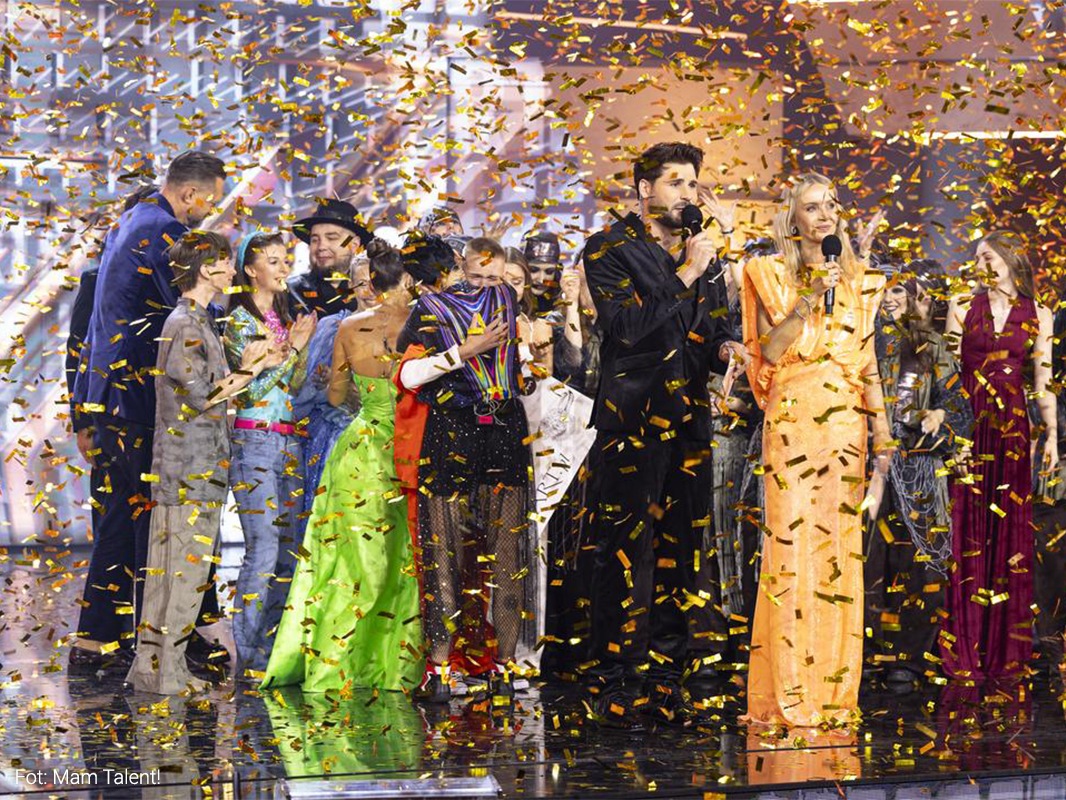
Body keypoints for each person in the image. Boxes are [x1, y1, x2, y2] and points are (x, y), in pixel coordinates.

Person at [581, 142, 744, 727]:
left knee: (683, 551)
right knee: (625, 552)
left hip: (688, 420)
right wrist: (688, 272)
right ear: (644, 189)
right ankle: (614, 677)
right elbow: (625, 328)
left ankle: (668, 676)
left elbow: (713, 326)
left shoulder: (706, 254)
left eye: (692, 183)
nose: (686, 193)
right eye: (675, 182)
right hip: (631, 421)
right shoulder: (608, 248)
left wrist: (727, 347)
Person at [742, 173, 889, 729]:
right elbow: (769, 351)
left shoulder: (865, 283)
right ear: (793, 219)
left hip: (846, 431)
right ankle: (788, 691)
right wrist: (807, 301)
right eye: (812, 207)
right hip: (792, 425)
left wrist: (884, 441)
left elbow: (869, 366)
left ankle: (833, 694)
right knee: (790, 551)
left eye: (831, 205)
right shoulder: (765, 273)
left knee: (837, 556)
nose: (825, 215)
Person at [70, 151, 226, 671]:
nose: (210, 210)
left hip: (110, 394)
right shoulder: (163, 230)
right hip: (133, 396)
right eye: (209, 200)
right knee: (142, 516)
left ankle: (104, 638)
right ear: (189, 193)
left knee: (125, 512)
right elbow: (190, 301)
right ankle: (143, 640)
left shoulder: (131, 220)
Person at [262, 239, 424, 692]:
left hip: (361, 450)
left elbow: (334, 395)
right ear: (406, 279)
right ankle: (394, 664)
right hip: (409, 450)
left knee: (347, 558)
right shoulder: (422, 323)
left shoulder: (349, 328)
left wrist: (365, 395)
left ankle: (337, 661)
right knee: (402, 559)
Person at [126, 231, 279, 694]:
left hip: (196, 468)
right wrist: (252, 366)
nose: (232, 270)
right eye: (226, 262)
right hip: (188, 471)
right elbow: (203, 395)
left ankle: (156, 669)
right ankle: (162, 671)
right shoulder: (185, 324)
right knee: (182, 574)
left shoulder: (196, 320)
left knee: (174, 574)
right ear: (206, 268)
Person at [397, 236, 533, 704]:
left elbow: (519, 366)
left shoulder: (509, 301)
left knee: (506, 553)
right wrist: (465, 351)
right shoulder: (431, 308)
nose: (484, 287)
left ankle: (504, 667)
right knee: (443, 551)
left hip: (503, 431)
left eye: (493, 278)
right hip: (452, 431)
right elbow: (407, 376)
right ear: (460, 265)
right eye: (475, 276)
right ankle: (438, 669)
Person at [940, 230, 1058, 682]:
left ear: (1010, 259)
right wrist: (954, 437)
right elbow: (949, 378)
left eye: (988, 256)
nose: (982, 265)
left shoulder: (1039, 314)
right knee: (968, 528)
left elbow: (1042, 382)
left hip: (1012, 428)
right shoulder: (959, 306)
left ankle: (1005, 651)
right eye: (977, 258)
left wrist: (1051, 435)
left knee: (1008, 531)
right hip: (970, 425)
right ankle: (965, 646)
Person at [865, 272, 973, 687]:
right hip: (869, 469)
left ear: (913, 298)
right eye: (881, 290)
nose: (888, 298)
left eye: (897, 290)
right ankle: (865, 655)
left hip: (920, 469)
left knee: (922, 565)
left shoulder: (931, 346)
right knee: (868, 561)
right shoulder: (858, 342)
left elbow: (959, 405)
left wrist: (940, 415)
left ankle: (908, 659)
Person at [226, 232, 316, 675]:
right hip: (255, 440)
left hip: (289, 438)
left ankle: (272, 647)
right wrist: (294, 348)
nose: (284, 269)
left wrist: (304, 355)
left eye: (286, 260)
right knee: (262, 548)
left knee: (288, 549)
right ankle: (247, 653)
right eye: (274, 261)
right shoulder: (238, 323)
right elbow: (248, 389)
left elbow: (290, 384)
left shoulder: (279, 319)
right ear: (250, 270)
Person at [288, 198, 373, 317]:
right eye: (315, 240)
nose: (321, 246)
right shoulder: (290, 292)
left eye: (332, 238)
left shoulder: (374, 292)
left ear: (354, 244)